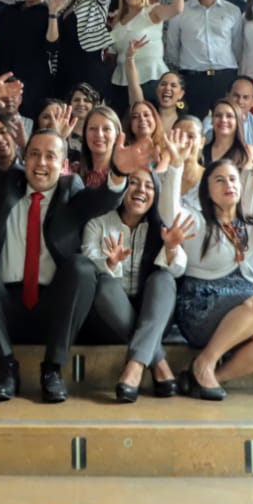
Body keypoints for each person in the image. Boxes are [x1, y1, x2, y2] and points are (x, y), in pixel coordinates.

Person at [0, 74, 152, 403]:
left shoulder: (70, 190)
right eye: (34, 154)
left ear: (63, 165)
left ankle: (53, 369)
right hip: (3, 304)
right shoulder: (6, 184)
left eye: (50, 156)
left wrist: (118, 172)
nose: (41, 163)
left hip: (53, 308)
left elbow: (104, 199)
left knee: (81, 268)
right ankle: (6, 367)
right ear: (25, 158)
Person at [160, 147, 253, 400]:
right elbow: (169, 213)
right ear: (207, 191)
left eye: (233, 179)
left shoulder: (251, 225)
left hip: (241, 314)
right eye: (219, 180)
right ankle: (205, 362)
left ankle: (206, 378)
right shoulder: (197, 221)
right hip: (200, 307)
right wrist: (176, 167)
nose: (228, 184)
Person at [82, 139, 191, 402]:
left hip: (152, 315)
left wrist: (171, 247)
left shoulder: (161, 227)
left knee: (163, 279)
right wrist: (109, 263)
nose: (141, 189)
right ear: (122, 188)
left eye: (149, 186)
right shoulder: (98, 222)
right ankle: (157, 361)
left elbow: (178, 269)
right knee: (103, 283)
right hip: (108, 318)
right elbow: (87, 260)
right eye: (133, 182)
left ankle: (134, 366)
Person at [108, 0, 187, 113]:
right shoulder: (117, 19)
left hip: (151, 80)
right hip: (120, 83)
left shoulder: (153, 11)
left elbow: (176, 8)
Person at [165, 0, 244, 118]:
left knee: (228, 123)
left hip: (225, 78)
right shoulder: (180, 11)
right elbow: (172, 49)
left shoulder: (233, 11)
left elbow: (238, 47)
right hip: (193, 80)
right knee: (193, 123)